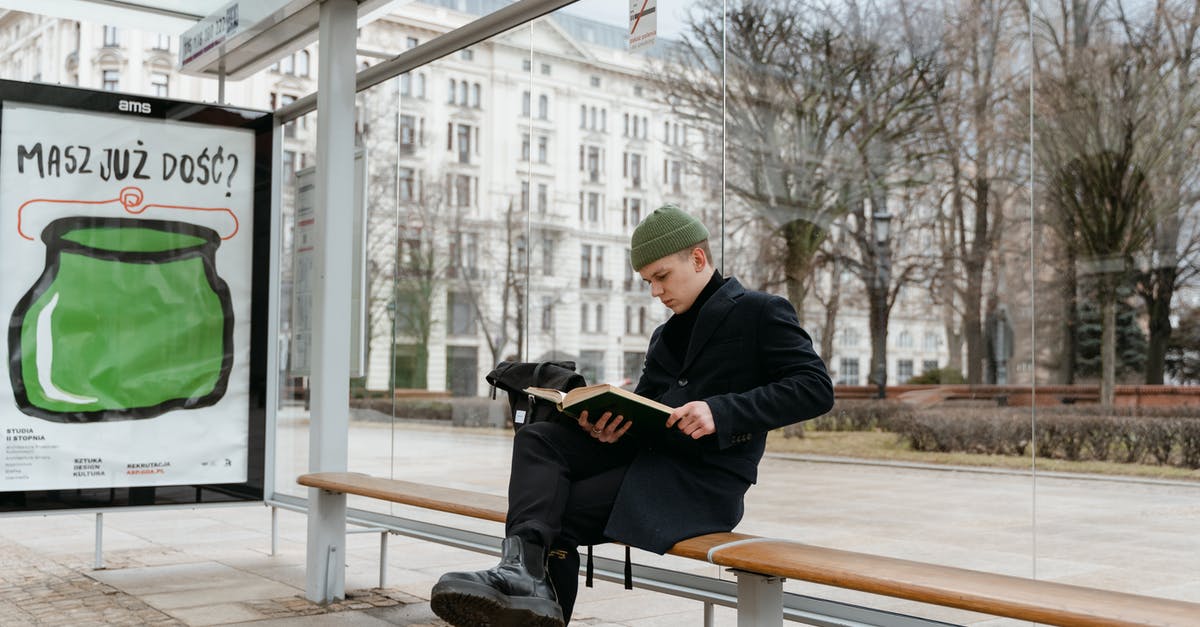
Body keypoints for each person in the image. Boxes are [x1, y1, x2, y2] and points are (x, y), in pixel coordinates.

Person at [431, 205, 834, 627]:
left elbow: (815, 389)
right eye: (647, 282)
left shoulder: (760, 311)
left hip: (702, 484)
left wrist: (721, 410)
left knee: (556, 512)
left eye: (661, 277)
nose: (655, 292)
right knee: (539, 436)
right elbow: (648, 410)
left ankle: (526, 584)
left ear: (697, 259)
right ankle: (522, 573)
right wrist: (608, 425)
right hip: (648, 463)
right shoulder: (664, 336)